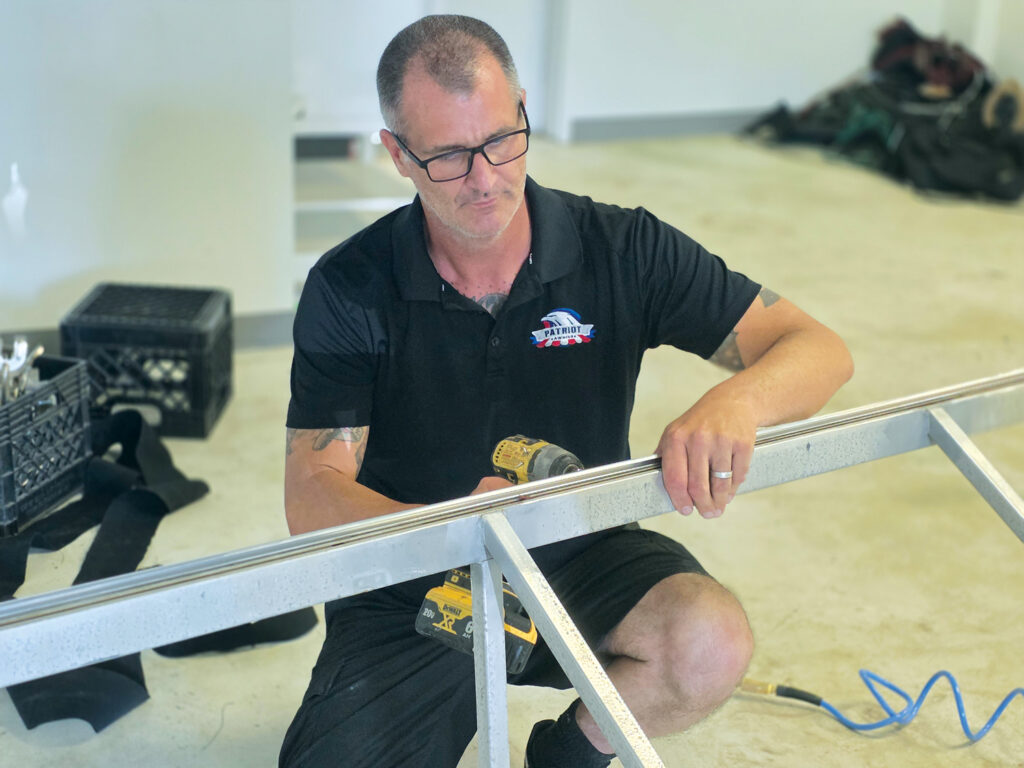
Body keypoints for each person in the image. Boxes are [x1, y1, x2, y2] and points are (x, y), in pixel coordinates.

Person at [280, 14, 853, 768]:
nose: (485, 179)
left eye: (499, 140)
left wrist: (734, 403)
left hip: (579, 546)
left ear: (523, 108)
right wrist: (455, 527)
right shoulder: (351, 286)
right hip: (414, 571)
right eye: (449, 156)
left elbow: (819, 349)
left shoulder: (621, 249)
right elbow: (314, 494)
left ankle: (571, 755)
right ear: (398, 155)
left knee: (708, 642)